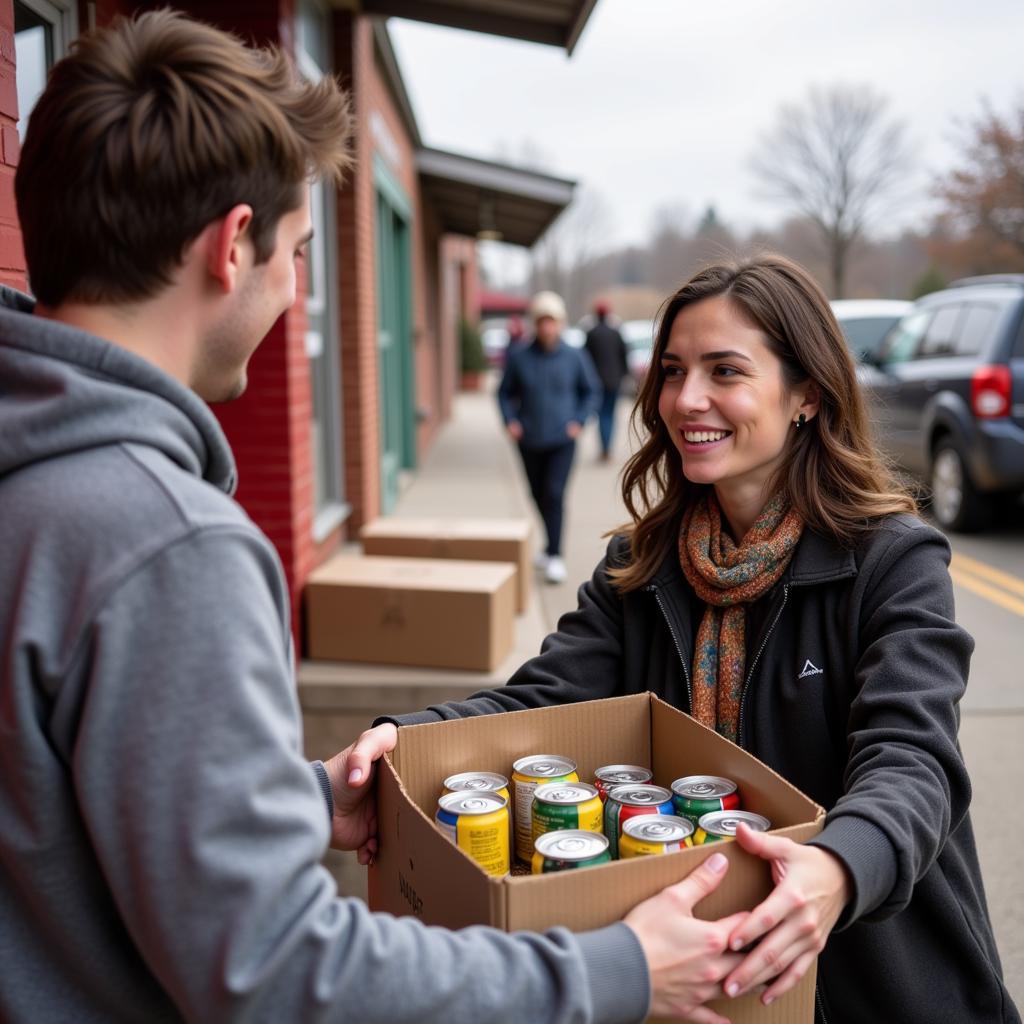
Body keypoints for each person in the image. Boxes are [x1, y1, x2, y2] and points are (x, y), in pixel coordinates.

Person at [0, 12, 756, 1024]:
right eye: (299, 252)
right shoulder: (166, 544)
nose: (293, 290)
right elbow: (280, 975)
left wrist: (301, 801)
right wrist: (615, 968)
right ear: (233, 246)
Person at [347, 255, 1021, 1024]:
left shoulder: (892, 561)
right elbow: (539, 700)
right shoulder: (639, 568)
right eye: (672, 370)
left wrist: (838, 866)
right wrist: (400, 741)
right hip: (705, 980)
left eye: (724, 370)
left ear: (805, 394)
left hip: (877, 977)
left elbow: (913, 759)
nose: (686, 399)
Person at [499, 290, 600, 584]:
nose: (547, 328)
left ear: (560, 323)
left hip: (562, 440)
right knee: (536, 494)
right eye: (541, 321)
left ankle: (555, 555)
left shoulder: (574, 356)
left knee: (554, 494)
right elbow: (504, 393)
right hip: (529, 439)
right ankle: (549, 545)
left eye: (552, 321)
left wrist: (579, 421)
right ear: (535, 324)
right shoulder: (519, 357)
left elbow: (591, 391)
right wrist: (511, 420)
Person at [584, 299, 630, 461]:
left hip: (597, 382)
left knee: (602, 415)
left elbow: (586, 359)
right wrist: (624, 375)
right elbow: (624, 355)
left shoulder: (591, 334)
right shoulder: (616, 332)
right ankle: (607, 449)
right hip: (614, 381)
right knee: (610, 414)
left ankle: (604, 449)